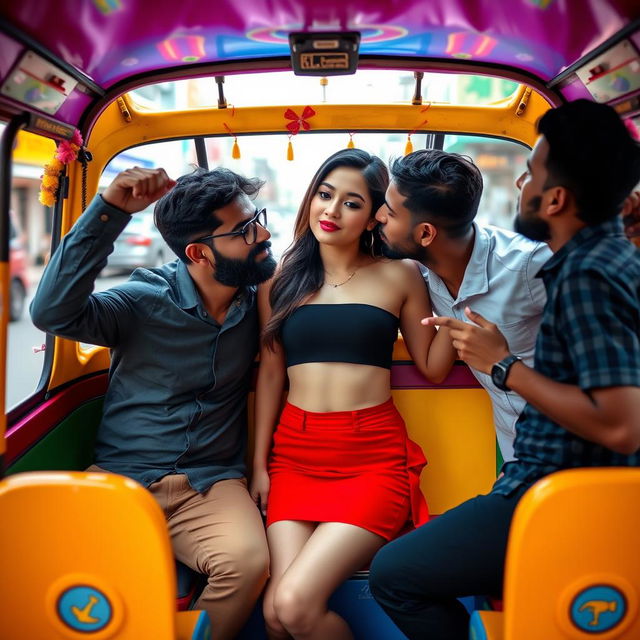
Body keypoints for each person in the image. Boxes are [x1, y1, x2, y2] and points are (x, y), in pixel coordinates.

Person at [369, 99, 640, 640]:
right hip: (528, 472)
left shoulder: (558, 271)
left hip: (564, 484)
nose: (520, 183)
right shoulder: (425, 275)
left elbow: (623, 424)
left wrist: (503, 365)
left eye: (532, 173)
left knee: (395, 576)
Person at [30, 166, 277, 639]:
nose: (262, 233)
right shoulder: (142, 300)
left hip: (211, 483)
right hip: (124, 478)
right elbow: (51, 312)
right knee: (59, 576)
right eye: (245, 230)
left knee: (247, 564)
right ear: (199, 253)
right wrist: (110, 211)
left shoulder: (260, 299)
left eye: (257, 218)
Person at [251, 149, 455, 640]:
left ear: (372, 217)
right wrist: (257, 466)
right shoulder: (278, 282)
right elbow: (271, 378)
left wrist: (459, 290)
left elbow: (432, 365)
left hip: (371, 460)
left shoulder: (401, 275)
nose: (332, 210)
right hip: (295, 457)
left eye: (351, 202)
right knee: (276, 618)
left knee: (296, 605)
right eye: (325, 195)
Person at [374, 148, 552, 462]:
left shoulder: (529, 266)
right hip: (520, 460)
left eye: (390, 212)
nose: (379, 217)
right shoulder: (425, 276)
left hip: (579, 456)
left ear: (426, 233)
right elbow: (434, 369)